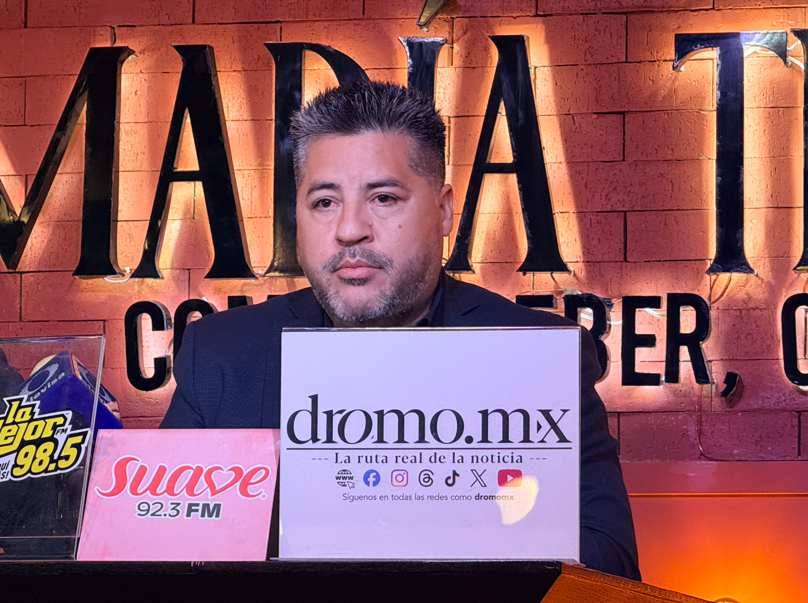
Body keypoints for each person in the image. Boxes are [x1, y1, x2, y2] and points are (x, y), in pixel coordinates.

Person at [161, 80, 640, 580]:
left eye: (384, 198)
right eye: (324, 202)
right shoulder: (218, 355)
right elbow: (155, 551)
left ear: (443, 210)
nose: (349, 229)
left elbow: (611, 565)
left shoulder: (540, 357)